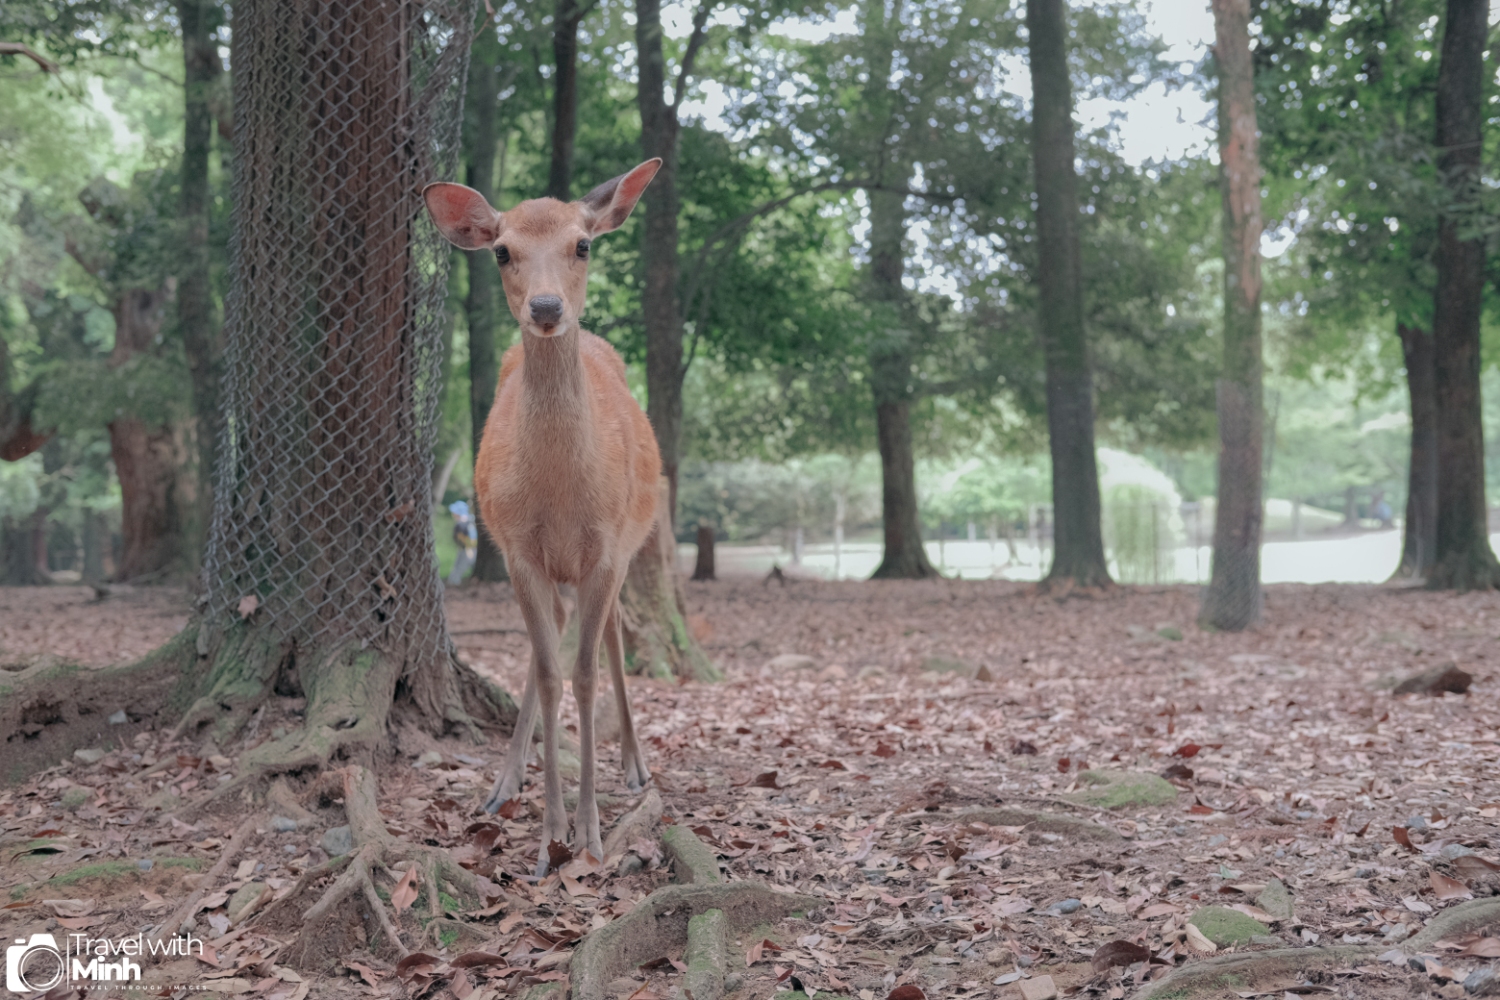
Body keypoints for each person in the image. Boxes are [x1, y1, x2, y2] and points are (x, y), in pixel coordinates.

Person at [447, 500, 478, 585]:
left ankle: (453, 585)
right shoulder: (471, 521)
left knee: (458, 569)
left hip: (468, 549)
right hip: (468, 549)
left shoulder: (461, 524)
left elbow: (469, 538)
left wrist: (469, 547)